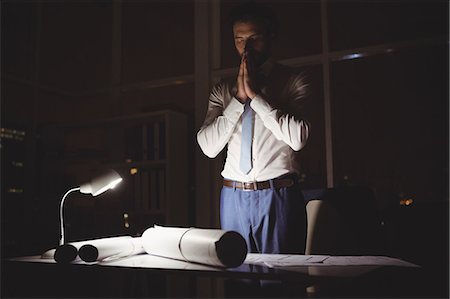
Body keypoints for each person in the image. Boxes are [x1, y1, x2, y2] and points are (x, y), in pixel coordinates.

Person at [197, 2, 310, 255]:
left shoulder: (293, 80)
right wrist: (238, 100)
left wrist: (256, 97)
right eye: (239, 40)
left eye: (253, 38)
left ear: (271, 36)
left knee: (280, 283)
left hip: (278, 195)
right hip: (232, 196)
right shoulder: (223, 90)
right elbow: (208, 147)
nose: (245, 48)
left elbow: (298, 138)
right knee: (239, 280)